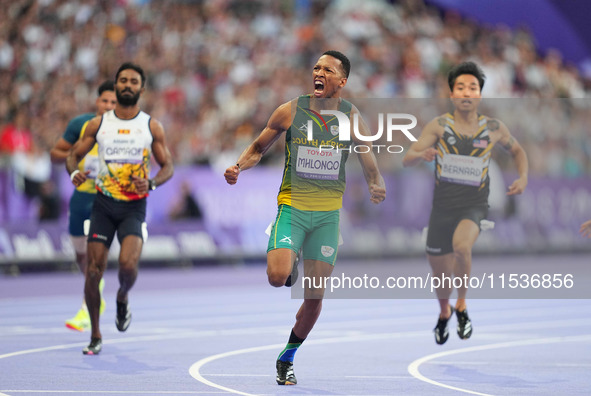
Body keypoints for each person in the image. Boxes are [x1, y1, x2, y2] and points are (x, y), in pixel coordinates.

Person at [224, 50, 386, 385]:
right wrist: (238, 166)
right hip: (293, 209)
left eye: (327, 69)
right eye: (316, 67)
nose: (319, 72)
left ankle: (288, 356)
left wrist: (376, 183)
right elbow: (258, 148)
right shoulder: (290, 111)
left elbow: (367, 155)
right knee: (276, 276)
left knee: (314, 300)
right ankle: (289, 262)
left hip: (327, 219)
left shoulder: (351, 116)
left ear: (342, 81)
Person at [402, 61, 528, 345]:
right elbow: (408, 156)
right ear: (452, 94)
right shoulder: (439, 125)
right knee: (439, 271)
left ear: (479, 95)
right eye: (460, 87)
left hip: (474, 205)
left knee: (461, 246)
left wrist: (523, 178)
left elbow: (518, 151)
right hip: (442, 207)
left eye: (472, 87)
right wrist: (420, 156)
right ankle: (444, 311)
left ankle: (462, 305)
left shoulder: (493, 128)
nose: (466, 92)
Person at [66, 62, 174, 355]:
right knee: (93, 271)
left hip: (133, 208)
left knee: (127, 266)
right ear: (116, 85)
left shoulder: (151, 126)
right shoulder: (99, 124)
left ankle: (123, 297)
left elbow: (168, 167)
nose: (127, 85)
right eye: (123, 80)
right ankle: (96, 334)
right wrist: (73, 172)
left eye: (133, 81)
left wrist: (151, 184)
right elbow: (72, 155)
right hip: (102, 205)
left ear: (141, 88)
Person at [50, 80, 116, 331]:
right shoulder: (81, 125)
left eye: (113, 102)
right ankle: (95, 291)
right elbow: (56, 153)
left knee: (94, 254)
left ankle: (87, 307)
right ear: (97, 101)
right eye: (105, 101)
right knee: (81, 254)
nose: (108, 106)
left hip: (107, 200)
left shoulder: (126, 130)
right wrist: (77, 156)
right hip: (80, 199)